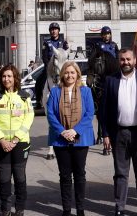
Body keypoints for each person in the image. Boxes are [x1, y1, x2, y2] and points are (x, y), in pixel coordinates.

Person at [100, 48, 137, 216]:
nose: (125, 62)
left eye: (128, 59)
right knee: (120, 173)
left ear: (134, 60)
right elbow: (103, 111)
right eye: (122, 59)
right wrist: (105, 134)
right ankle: (119, 207)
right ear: (118, 61)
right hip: (119, 133)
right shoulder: (111, 80)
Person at [46, 60, 95, 216]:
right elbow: (51, 114)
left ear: (77, 74)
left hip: (80, 138)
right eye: (66, 72)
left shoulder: (86, 91)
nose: (69, 75)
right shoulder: (55, 91)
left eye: (72, 72)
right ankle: (66, 209)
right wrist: (62, 131)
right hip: (60, 139)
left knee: (80, 174)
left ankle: (80, 209)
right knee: (65, 175)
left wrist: (75, 131)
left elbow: (89, 114)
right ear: (62, 74)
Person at [0, 65, 35, 216]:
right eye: (4, 76)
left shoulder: (24, 97)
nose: (6, 79)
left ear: (15, 78)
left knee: (20, 177)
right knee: (4, 178)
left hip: (20, 143)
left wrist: (15, 139)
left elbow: (29, 118)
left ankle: (19, 209)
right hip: (1, 144)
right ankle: (5, 209)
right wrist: (2, 139)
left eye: (9, 76)